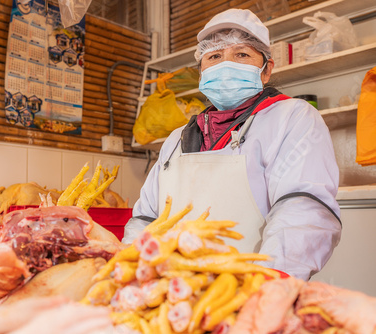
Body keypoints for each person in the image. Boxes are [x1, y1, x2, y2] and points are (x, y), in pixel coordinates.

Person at [123, 8, 342, 280]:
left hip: (253, 289)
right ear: (201, 73)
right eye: (214, 56)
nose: (226, 65)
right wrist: (130, 274)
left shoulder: (292, 117)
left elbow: (304, 209)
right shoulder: (175, 139)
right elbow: (146, 219)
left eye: (242, 54)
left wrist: (270, 284)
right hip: (173, 291)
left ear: (266, 70)